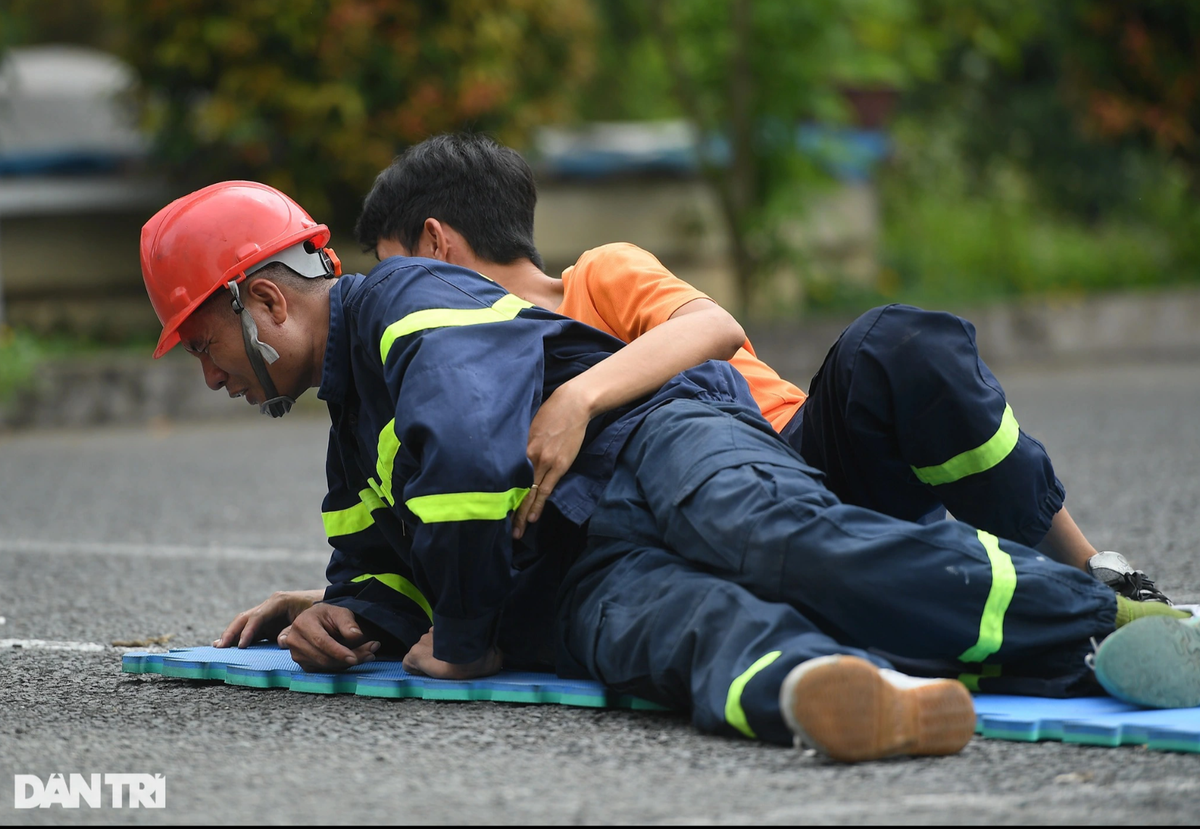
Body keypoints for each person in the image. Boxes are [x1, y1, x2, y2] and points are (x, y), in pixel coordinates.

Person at [140, 179, 1198, 764]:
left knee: (771, 534)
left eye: (202, 344)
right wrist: (350, 613)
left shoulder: (409, 303)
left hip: (651, 437)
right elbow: (386, 552)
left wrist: (459, 640)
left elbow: (464, 464)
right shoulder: (348, 430)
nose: (209, 374)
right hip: (572, 563)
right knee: (667, 632)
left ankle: (1105, 628)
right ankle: (838, 693)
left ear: (266, 303)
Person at [217, 133, 1171, 656]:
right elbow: (470, 501)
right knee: (762, 584)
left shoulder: (593, 278)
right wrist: (347, 599)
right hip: (674, 504)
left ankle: (1095, 574)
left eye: (392, 269)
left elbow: (712, 329)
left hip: (787, 451)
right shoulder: (447, 374)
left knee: (898, 345)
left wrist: (582, 397)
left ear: (433, 249)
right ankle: (980, 619)